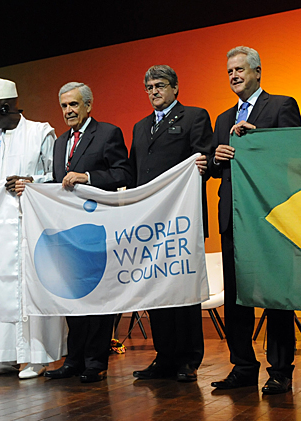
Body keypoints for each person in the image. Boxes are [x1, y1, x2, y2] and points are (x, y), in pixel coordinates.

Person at [206, 46, 301, 395]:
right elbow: (217, 170)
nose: (234, 76)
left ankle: (280, 371)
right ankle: (243, 367)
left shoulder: (281, 106)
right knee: (236, 300)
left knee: (276, 298)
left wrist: (260, 137)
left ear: (258, 72)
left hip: (270, 218)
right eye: (229, 71)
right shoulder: (221, 119)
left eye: (240, 70)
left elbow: (297, 152)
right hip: (234, 219)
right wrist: (215, 158)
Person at [0, 78, 65, 379]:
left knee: (30, 290)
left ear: (5, 106)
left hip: (29, 228)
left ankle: (37, 356)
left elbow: (56, 177)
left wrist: (29, 182)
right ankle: (2, 356)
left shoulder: (40, 132)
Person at [38, 82, 132, 383]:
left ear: (88, 106)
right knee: (72, 296)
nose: (68, 111)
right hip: (67, 230)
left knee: (99, 298)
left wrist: (87, 177)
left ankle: (96, 362)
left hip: (97, 228)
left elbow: (123, 173)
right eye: (64, 106)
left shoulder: (108, 134)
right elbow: (56, 182)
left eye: (74, 105)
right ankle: (74, 360)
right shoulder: (59, 141)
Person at [129, 65, 212, 383]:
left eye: (160, 85)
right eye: (148, 87)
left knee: (183, 290)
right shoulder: (139, 127)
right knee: (156, 290)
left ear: (176, 88)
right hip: (150, 223)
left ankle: (188, 359)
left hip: (182, 221)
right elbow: (137, 173)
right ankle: (164, 356)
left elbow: (203, 158)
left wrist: (203, 164)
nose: (154, 91)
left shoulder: (194, 116)